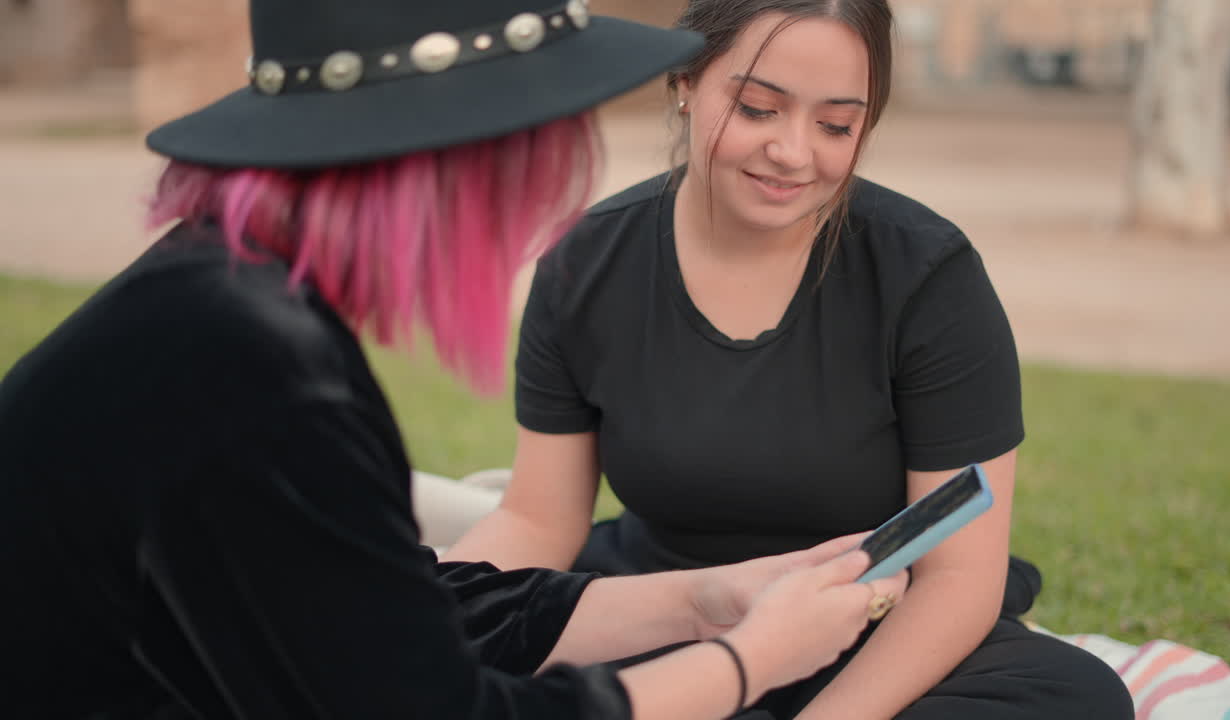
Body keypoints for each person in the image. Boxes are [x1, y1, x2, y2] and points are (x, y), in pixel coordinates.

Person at [0, 0, 909, 717]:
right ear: (471, 161)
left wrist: (701, 602)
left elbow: (377, 617)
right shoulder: (259, 375)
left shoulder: (215, 297)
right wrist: (750, 663)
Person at [443, 1, 1135, 718]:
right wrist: (432, 605)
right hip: (665, 617)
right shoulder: (584, 267)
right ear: (685, 81)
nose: (794, 153)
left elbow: (958, 574)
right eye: (757, 109)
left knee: (1074, 698)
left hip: (870, 630)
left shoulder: (928, 277)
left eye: (835, 124)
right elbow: (538, 521)